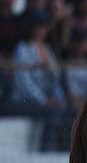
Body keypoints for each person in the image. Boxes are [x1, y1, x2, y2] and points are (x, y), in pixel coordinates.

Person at [9, 9, 71, 151]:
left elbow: (56, 77)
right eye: (37, 26)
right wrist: (43, 99)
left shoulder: (48, 50)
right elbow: (23, 82)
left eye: (43, 26)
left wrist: (56, 98)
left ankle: (65, 150)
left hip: (46, 98)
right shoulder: (22, 49)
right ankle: (45, 150)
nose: (40, 30)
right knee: (53, 112)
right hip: (23, 101)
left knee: (69, 110)